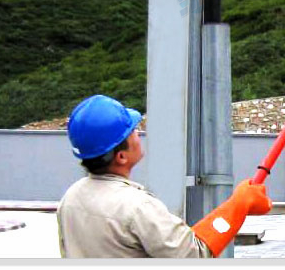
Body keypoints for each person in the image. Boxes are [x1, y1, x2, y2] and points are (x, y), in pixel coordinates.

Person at [57, 94, 272, 258]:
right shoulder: (137, 207)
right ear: (121, 156)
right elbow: (194, 255)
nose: (137, 133)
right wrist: (239, 204)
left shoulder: (71, 198)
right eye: (131, 131)